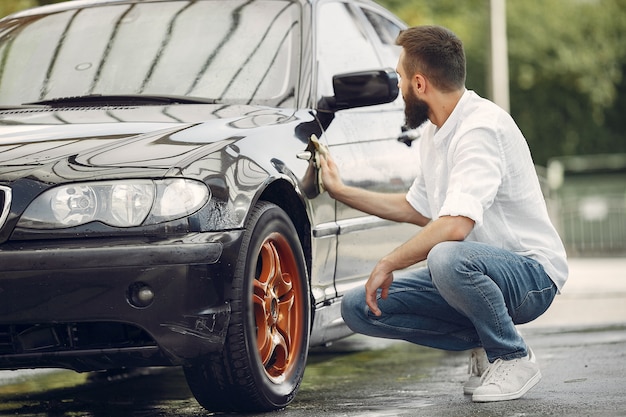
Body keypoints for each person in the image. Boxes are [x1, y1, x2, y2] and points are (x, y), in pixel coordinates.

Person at [319, 25, 568, 403]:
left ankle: (512, 356)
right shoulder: (436, 134)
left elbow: (454, 226)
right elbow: (414, 208)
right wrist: (340, 191)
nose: (399, 89)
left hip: (531, 275)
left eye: (402, 78)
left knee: (446, 256)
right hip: (474, 274)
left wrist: (388, 261)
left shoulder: (480, 128)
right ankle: (489, 344)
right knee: (359, 308)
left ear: (420, 84)